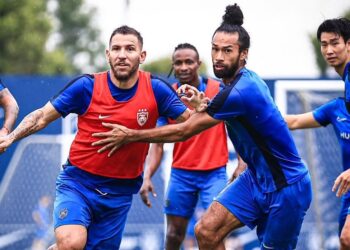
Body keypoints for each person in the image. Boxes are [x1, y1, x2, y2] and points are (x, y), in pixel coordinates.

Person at [91, 4, 312, 250]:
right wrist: (202, 104)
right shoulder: (230, 87)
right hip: (254, 179)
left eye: (227, 50)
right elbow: (219, 114)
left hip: (286, 186)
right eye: (215, 49)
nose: (219, 56)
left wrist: (130, 135)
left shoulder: (241, 90)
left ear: (243, 54)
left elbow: (184, 130)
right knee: (205, 231)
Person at [0, 25, 193, 249]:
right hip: (78, 184)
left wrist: (135, 136)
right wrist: (11, 137)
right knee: (72, 243)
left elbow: (189, 126)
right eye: (116, 48)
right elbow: (42, 116)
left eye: (130, 49)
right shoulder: (86, 86)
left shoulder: (156, 89)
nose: (122, 54)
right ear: (107, 54)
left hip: (119, 194)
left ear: (142, 56)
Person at [140, 43, 246, 249]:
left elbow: (237, 129)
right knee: (173, 234)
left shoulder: (219, 90)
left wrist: (242, 162)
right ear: (173, 66)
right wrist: (147, 175)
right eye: (178, 63)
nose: (184, 67)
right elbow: (158, 143)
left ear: (199, 63)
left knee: (213, 232)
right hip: (181, 174)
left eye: (189, 61)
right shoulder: (167, 96)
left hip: (214, 173)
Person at [284, 17, 350, 250]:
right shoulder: (335, 107)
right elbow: (291, 121)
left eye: (335, 43)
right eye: (324, 44)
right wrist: (245, 110)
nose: (329, 50)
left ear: (349, 44)